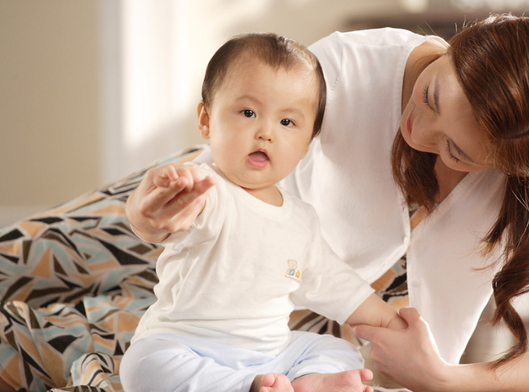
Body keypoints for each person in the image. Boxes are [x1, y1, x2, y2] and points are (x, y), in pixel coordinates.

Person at [127, 13, 529, 392]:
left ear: (508, 167)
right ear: (458, 45)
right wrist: (154, 220)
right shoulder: (348, 67)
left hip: (297, 309)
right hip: (217, 208)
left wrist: (441, 379)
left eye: (457, 152)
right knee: (62, 267)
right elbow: (232, 166)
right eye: (433, 95)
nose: (419, 130)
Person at [120, 32, 407, 392]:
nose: (265, 132)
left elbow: (335, 284)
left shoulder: (301, 219)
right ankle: (246, 386)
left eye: (287, 122)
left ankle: (307, 381)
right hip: (187, 346)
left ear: (306, 146)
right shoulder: (207, 189)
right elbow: (157, 221)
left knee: (336, 347)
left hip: (270, 355)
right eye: (248, 112)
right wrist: (162, 197)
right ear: (207, 120)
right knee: (143, 368)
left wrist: (390, 321)